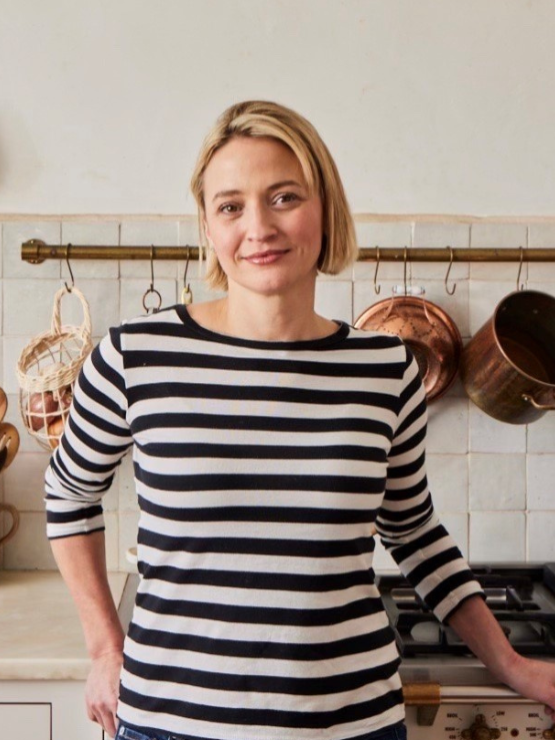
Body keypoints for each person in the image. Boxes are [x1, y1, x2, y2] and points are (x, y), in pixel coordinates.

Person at [45, 100, 555, 740]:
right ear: (208, 226)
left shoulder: (384, 367)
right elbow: (68, 494)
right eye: (231, 206)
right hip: (172, 724)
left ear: (326, 210)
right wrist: (102, 648)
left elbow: (415, 531)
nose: (258, 226)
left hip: (351, 724)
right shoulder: (134, 357)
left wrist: (511, 664)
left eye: (283, 197)